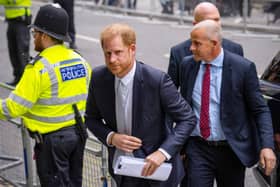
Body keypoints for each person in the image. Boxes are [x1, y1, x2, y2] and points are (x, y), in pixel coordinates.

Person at [85, 23, 197, 187]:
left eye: (118, 52)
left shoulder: (157, 80)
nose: (112, 59)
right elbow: (91, 118)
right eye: (107, 53)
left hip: (156, 172)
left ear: (132, 49)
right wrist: (112, 138)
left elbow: (187, 119)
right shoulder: (98, 77)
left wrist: (162, 153)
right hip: (122, 171)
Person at [0, 4, 91, 186]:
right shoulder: (80, 60)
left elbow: (14, 107)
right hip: (78, 136)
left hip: (53, 143)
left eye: (35, 34)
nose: (33, 39)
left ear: (44, 35)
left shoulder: (39, 68)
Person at [179, 19, 276, 187]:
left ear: (214, 44)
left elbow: (260, 110)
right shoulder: (187, 65)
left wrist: (267, 146)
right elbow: (182, 107)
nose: (191, 48)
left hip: (231, 150)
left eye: (197, 44)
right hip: (198, 147)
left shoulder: (243, 68)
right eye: (191, 42)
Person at [168, 2, 244, 89]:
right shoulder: (179, 53)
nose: (216, 25)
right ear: (195, 25)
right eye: (210, 21)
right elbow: (170, 93)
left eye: (217, 19)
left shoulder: (235, 49)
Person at [0, 0, 31, 86]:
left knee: (22, 52)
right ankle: (17, 78)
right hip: (11, 20)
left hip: (21, 19)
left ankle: (26, 81)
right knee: (13, 51)